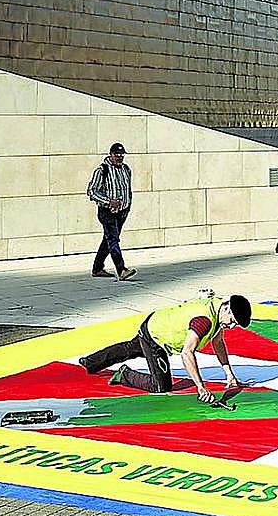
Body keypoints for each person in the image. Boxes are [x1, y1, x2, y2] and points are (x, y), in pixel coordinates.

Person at [79, 292, 251, 403]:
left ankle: (91, 362)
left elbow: (218, 343)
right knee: (160, 386)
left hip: (158, 322)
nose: (231, 326)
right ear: (227, 310)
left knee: (131, 348)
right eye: (233, 322)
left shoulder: (217, 312)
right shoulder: (204, 320)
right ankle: (124, 375)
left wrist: (229, 375)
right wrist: (200, 386)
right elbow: (187, 353)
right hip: (156, 336)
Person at [87, 142, 136, 281]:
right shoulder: (102, 170)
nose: (119, 157)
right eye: (116, 154)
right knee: (113, 239)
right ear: (111, 155)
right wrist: (109, 201)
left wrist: (127, 207)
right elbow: (91, 191)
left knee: (108, 240)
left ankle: (97, 268)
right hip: (107, 211)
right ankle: (121, 270)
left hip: (122, 212)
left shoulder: (126, 169)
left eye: (122, 154)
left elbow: (128, 190)